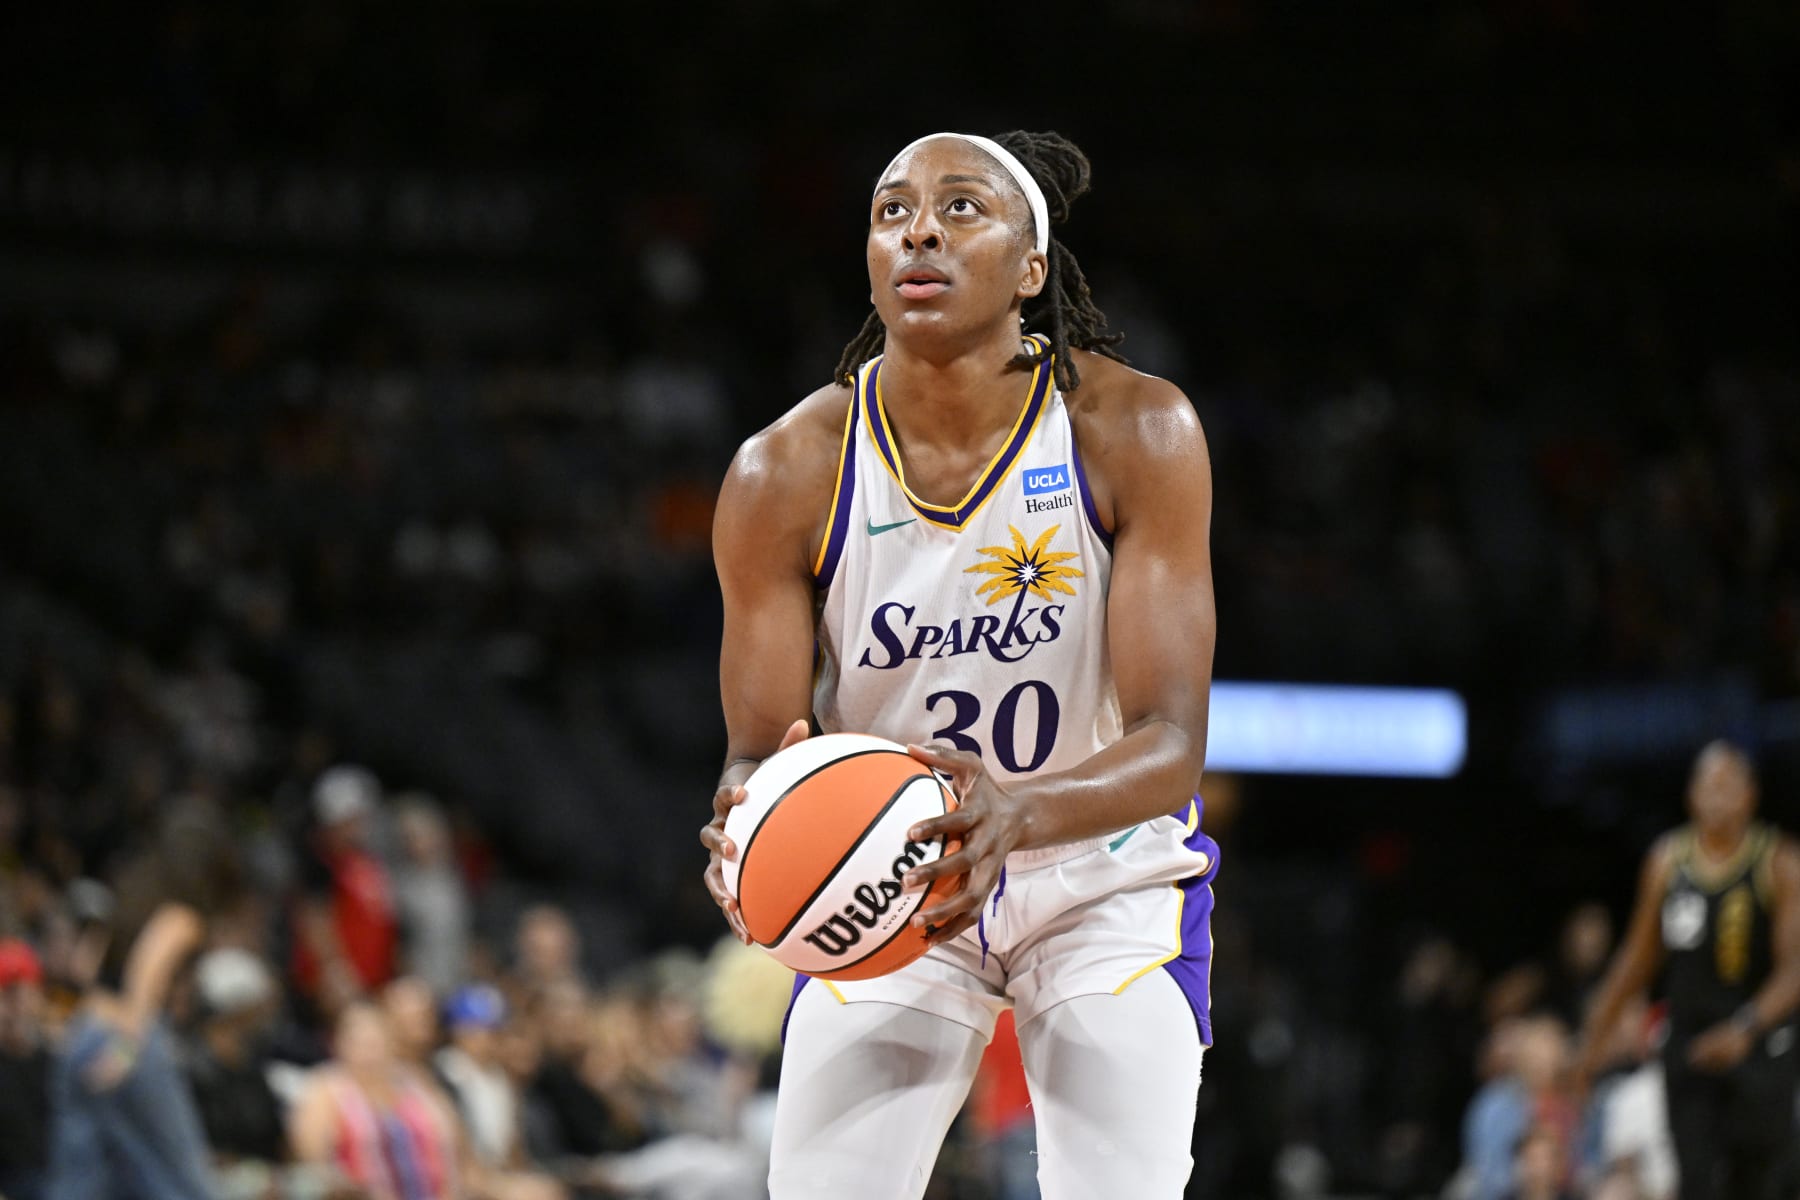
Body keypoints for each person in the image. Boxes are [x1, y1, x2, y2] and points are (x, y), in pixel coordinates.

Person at [699, 130, 1220, 1199]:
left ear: (1032, 269)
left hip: (1097, 871)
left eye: (962, 207)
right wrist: (740, 832)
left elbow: (1171, 746)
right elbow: (756, 749)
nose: (921, 229)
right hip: (894, 882)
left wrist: (1015, 817)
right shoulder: (783, 470)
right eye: (892, 212)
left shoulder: (1134, 430)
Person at [1575, 740, 1800, 1200]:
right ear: (1691, 795)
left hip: (1758, 1039)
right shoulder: (1667, 860)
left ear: (1751, 794)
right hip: (1691, 1042)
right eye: (1708, 786)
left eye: (1728, 786)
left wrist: (1745, 1028)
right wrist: (1591, 1044)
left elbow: (1795, 968)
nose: (1717, 797)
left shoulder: (1779, 861)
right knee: (1696, 1179)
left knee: (1758, 1179)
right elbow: (1635, 959)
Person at [48, 803, 250, 1200]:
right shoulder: (182, 915)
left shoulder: (129, 901)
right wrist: (125, 1052)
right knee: (183, 1178)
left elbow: (84, 967)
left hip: (84, 1034)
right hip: (129, 1043)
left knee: (85, 1178)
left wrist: (94, 1022)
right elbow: (146, 977)